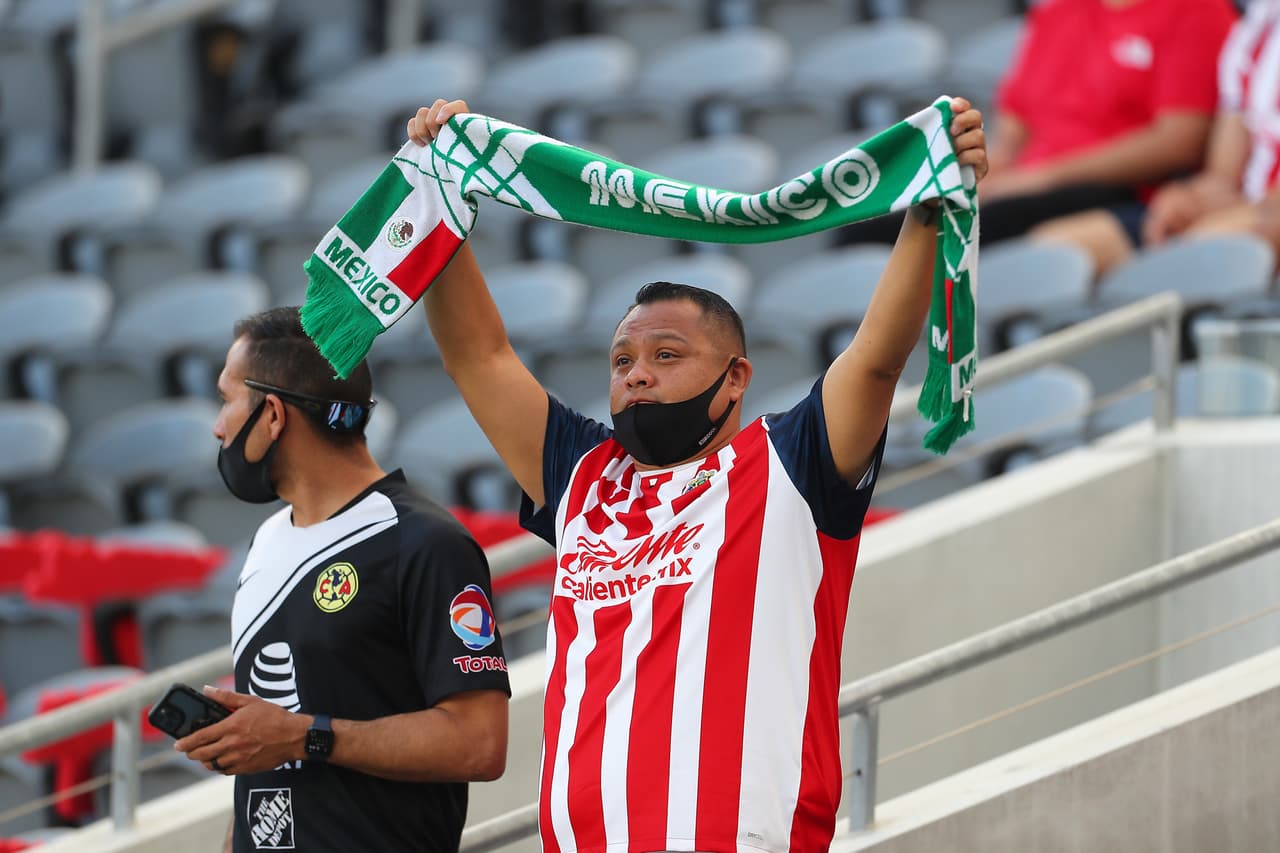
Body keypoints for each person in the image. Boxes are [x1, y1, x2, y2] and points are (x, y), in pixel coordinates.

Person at [406, 96, 988, 852]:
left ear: (738, 376)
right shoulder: (582, 475)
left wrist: (929, 206)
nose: (637, 375)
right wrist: (441, 184)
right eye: (622, 361)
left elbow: (876, 357)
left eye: (666, 355)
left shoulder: (793, 462)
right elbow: (478, 355)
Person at [175, 306, 510, 853]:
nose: (218, 426)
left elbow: (481, 743)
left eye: (226, 399)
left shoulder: (425, 541)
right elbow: (270, 757)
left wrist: (306, 735)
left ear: (274, 414)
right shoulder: (266, 541)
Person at [838, 0, 1236, 248]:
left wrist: (1045, 177)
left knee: (965, 229)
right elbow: (1013, 133)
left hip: (1120, 191)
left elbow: (1179, 140)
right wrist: (986, 175)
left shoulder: (1196, 9)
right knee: (862, 230)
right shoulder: (1057, 13)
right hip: (1034, 184)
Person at [1033, 0, 1280, 273]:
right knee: (1051, 251)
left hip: (1262, 216)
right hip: (1249, 210)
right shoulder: (1258, 24)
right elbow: (1223, 177)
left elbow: (1178, 140)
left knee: (1199, 248)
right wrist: (1187, 199)